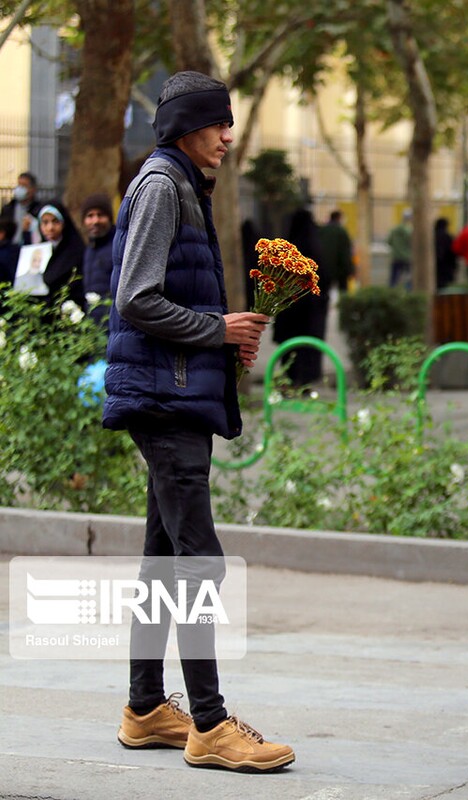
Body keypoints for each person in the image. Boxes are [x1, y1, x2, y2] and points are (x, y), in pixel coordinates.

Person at [103, 70, 294, 773]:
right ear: (187, 125)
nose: (228, 136)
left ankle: (147, 708)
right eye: (218, 124)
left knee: (163, 562)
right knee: (198, 561)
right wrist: (217, 330)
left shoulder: (182, 184)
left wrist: (225, 334)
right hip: (165, 399)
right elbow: (135, 299)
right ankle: (210, 725)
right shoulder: (162, 185)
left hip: (174, 393)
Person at [272, 205, 328, 386]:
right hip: (311, 311)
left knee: (291, 348)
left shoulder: (286, 252)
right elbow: (325, 278)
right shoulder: (316, 250)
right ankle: (305, 381)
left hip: (290, 309)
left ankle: (290, 379)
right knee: (307, 348)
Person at [33, 203, 86, 307]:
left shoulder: (75, 250)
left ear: (63, 223)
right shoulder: (37, 251)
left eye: (55, 221)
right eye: (45, 222)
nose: (50, 228)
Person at [80, 192, 116, 327]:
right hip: (95, 328)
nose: (95, 221)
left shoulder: (119, 246)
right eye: (90, 216)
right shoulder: (89, 250)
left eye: (100, 215)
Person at [1, 171, 44, 246]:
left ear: (33, 189)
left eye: (24, 186)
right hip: (10, 249)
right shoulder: (8, 209)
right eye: (19, 185)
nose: (20, 189)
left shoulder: (38, 209)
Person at [318, 209, 355, 293]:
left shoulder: (322, 230)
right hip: (340, 268)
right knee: (343, 290)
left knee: (323, 292)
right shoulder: (341, 231)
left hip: (324, 266)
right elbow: (346, 252)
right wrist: (350, 269)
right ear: (339, 218)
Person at [386, 208, 413, 289]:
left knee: (393, 278)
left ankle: (391, 293)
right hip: (407, 257)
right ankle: (408, 293)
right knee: (409, 278)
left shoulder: (394, 229)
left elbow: (389, 241)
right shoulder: (409, 230)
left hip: (395, 257)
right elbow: (412, 243)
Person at [434, 216, 457, 289]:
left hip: (436, 265)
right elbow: (453, 251)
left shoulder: (432, 236)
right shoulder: (448, 236)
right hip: (447, 266)